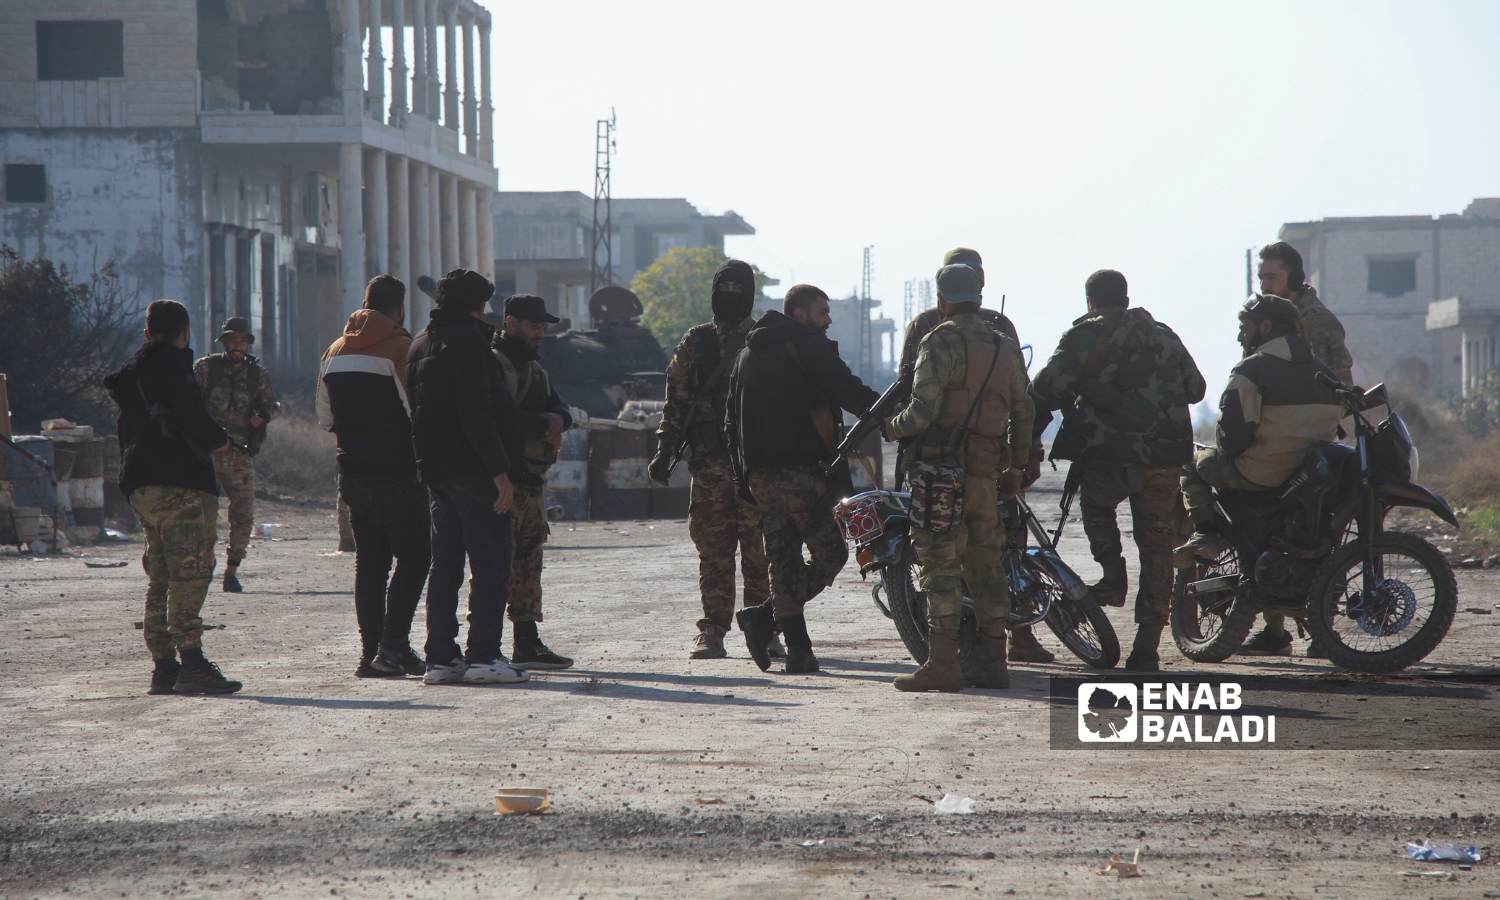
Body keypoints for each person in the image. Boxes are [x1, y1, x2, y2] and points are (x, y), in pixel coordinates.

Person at [1031, 270, 1206, 672]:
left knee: (1097, 509)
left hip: (1105, 455)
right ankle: (1147, 646)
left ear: (1090, 301)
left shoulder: (1082, 337)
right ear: (1126, 298)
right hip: (1162, 457)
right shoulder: (1164, 335)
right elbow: (1196, 389)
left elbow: (1044, 390)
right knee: (1157, 545)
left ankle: (1112, 577)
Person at [893, 246, 1053, 664]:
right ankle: (994, 658)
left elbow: (914, 399)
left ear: (942, 292)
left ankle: (945, 660)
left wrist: (892, 430)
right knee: (991, 562)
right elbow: (1024, 405)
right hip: (989, 467)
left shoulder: (933, 332)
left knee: (940, 560)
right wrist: (1021, 461)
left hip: (940, 468)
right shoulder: (1000, 335)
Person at [725, 284, 880, 674]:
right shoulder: (808, 346)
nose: (828, 320)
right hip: (800, 474)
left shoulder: (746, 354)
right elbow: (849, 391)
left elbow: (730, 422)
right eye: (822, 312)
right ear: (799, 314)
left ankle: (797, 650)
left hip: (760, 478)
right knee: (833, 553)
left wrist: (744, 477)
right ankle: (765, 617)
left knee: (784, 561)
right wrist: (895, 414)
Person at [104, 299, 241, 695]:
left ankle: (163, 667)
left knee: (161, 574)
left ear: (147, 332)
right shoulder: (173, 369)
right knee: (192, 570)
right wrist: (219, 441)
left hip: (140, 484)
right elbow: (191, 419)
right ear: (184, 333)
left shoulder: (134, 376)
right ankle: (193, 663)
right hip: (179, 481)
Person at [648, 259, 775, 661]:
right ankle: (714, 631)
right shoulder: (696, 342)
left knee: (760, 554)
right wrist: (664, 451)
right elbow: (676, 402)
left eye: (738, 292)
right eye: (724, 291)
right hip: (710, 464)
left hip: (756, 466)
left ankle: (766, 629)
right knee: (714, 552)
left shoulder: (765, 340)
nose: (730, 300)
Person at [407, 268, 527, 686]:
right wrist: (500, 473)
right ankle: (483, 656)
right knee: (491, 563)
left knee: (445, 568)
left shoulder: (420, 344)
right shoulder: (470, 344)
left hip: (436, 471)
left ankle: (440, 658)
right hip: (475, 472)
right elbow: (477, 413)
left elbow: (416, 412)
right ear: (476, 305)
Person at [1175, 295, 1343, 578]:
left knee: (1192, 463)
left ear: (1265, 326)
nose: (1241, 335)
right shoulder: (1325, 373)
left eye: (1245, 327)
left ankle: (1206, 534)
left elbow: (1231, 442)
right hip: (1310, 478)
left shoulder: (1251, 369)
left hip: (1261, 475)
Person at [317, 275, 430, 679]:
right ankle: (394, 646)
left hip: (352, 472)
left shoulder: (334, 350)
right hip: (397, 472)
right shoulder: (401, 348)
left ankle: (371, 653)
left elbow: (324, 417)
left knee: (371, 561)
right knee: (416, 557)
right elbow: (416, 413)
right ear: (399, 309)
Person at [1251, 241, 1354, 656]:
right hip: (1270, 443)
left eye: (1271, 277)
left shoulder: (1318, 323)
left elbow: (1342, 383)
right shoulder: (1265, 319)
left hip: (1310, 448)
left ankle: (1321, 629)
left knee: (1313, 537)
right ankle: (1274, 629)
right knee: (1265, 533)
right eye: (1260, 278)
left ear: (1294, 277)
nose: (1265, 285)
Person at [492, 293, 575, 670]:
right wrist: (545, 424)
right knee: (495, 564)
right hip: (502, 481)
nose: (539, 333)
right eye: (533, 325)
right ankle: (486, 646)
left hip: (530, 481)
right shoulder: (495, 364)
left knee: (528, 563)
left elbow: (559, 406)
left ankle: (526, 641)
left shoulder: (534, 366)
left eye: (543, 326)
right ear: (510, 323)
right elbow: (500, 419)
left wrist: (557, 419)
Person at [194, 317, 278, 593]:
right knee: (204, 513)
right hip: (207, 452)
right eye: (231, 340)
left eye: (241, 340)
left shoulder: (258, 375)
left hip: (239, 453)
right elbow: (190, 405)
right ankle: (206, 562)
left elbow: (270, 405)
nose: (236, 346)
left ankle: (232, 569)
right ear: (224, 342)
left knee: (243, 512)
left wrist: (261, 417)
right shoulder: (206, 369)